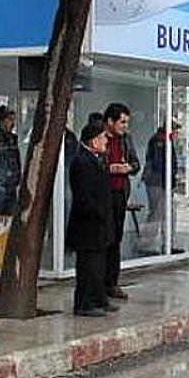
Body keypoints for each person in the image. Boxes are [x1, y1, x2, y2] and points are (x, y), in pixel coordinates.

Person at [66, 122, 119, 317]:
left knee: (98, 266)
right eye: (103, 138)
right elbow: (84, 197)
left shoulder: (95, 159)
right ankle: (85, 304)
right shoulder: (82, 162)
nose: (106, 141)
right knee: (88, 267)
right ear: (94, 141)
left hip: (99, 225)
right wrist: (98, 212)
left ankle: (99, 299)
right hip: (88, 226)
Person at [103, 103, 140, 300]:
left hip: (120, 192)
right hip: (103, 193)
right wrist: (109, 168)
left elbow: (136, 164)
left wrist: (128, 168)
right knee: (103, 238)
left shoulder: (126, 139)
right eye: (122, 122)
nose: (125, 126)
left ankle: (112, 282)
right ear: (110, 121)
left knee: (116, 238)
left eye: (127, 123)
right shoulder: (99, 138)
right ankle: (99, 283)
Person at [142, 119, 180, 253]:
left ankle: (168, 244)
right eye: (175, 130)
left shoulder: (166, 141)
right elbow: (159, 165)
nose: (176, 133)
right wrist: (169, 180)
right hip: (157, 183)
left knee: (169, 214)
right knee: (156, 214)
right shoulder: (159, 141)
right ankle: (147, 246)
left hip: (164, 183)